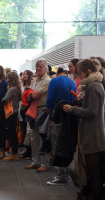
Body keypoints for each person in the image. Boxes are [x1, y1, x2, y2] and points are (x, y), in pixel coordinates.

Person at [63, 59, 105, 200]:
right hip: (96, 133)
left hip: (93, 134)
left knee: (94, 172)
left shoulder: (93, 86)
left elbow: (92, 112)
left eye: (80, 73)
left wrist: (73, 109)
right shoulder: (95, 85)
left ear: (87, 71)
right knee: (95, 172)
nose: (79, 76)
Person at [45, 64, 76, 185]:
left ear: (57, 72)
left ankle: (62, 175)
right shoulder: (72, 82)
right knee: (65, 144)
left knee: (57, 144)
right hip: (68, 116)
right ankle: (65, 172)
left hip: (57, 116)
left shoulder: (54, 81)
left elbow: (50, 99)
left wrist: (48, 114)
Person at [24, 58, 51, 172]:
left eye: (41, 66)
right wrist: (30, 94)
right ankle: (35, 161)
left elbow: (35, 95)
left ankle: (44, 163)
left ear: (46, 68)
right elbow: (30, 93)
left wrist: (30, 94)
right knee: (34, 137)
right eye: (37, 66)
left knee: (43, 136)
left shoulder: (48, 80)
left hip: (42, 110)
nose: (38, 68)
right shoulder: (35, 79)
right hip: (33, 110)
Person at [2, 72, 22, 161]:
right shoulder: (17, 88)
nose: (7, 80)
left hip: (10, 111)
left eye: (8, 78)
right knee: (13, 133)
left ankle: (14, 153)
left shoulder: (12, 89)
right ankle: (14, 152)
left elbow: (4, 99)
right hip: (14, 111)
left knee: (12, 133)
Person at [19, 70, 33, 160]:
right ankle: (26, 149)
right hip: (22, 109)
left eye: (26, 74)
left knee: (29, 130)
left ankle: (29, 151)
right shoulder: (22, 86)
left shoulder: (32, 85)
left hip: (30, 108)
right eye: (23, 74)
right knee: (24, 129)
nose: (24, 75)